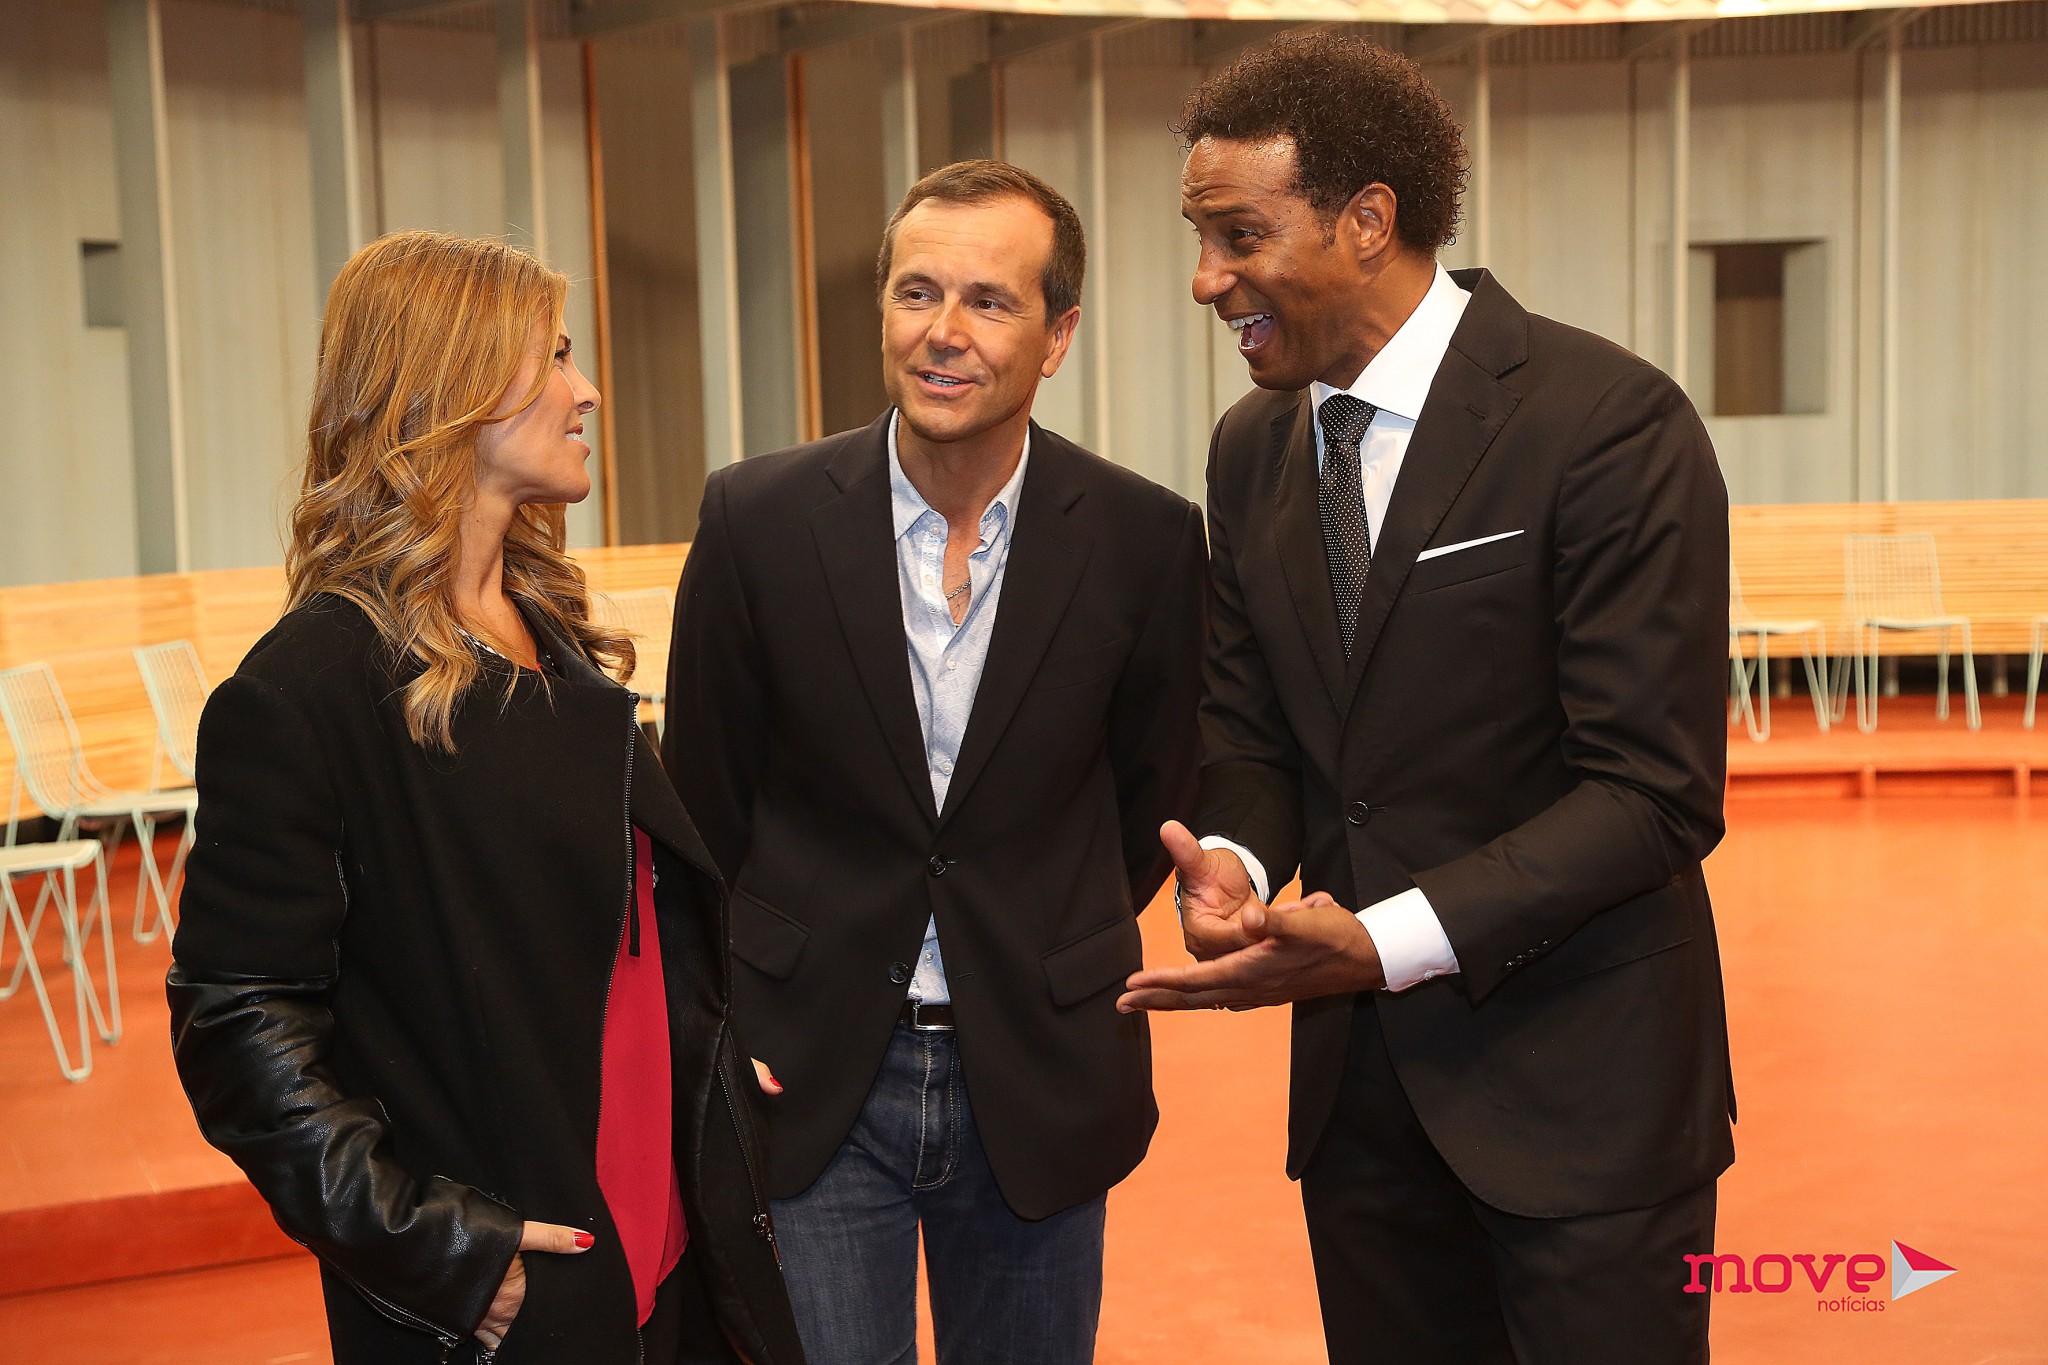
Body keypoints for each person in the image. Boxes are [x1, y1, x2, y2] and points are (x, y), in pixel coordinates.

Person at [1118, 34, 1735, 1365]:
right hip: (1365, 1122)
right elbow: (1256, 734)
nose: (1205, 279)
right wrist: (1233, 862)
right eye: (1200, 239)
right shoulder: (1252, 451)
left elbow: (1652, 793)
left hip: (1586, 1105)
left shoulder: (1606, 423)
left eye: (1237, 235)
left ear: (1366, 220)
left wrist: (1381, 942)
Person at [168, 230, 804, 1365]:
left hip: (667, 1245)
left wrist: (703, 1046)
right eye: (554, 355)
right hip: (522, 1288)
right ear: (450, 386)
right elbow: (237, 1021)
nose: (587, 389)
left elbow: (606, 931)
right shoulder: (306, 686)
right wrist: (436, 1252)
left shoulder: (548, 637)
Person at [664, 161, 1205, 1365]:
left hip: (1040, 1066)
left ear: (1057, 335)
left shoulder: (1146, 539)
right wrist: (724, 1024)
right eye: (916, 293)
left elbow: (1148, 796)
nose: (942, 332)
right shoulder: (756, 521)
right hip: (808, 1069)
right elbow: (703, 807)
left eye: (987, 300)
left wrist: (1032, 930)